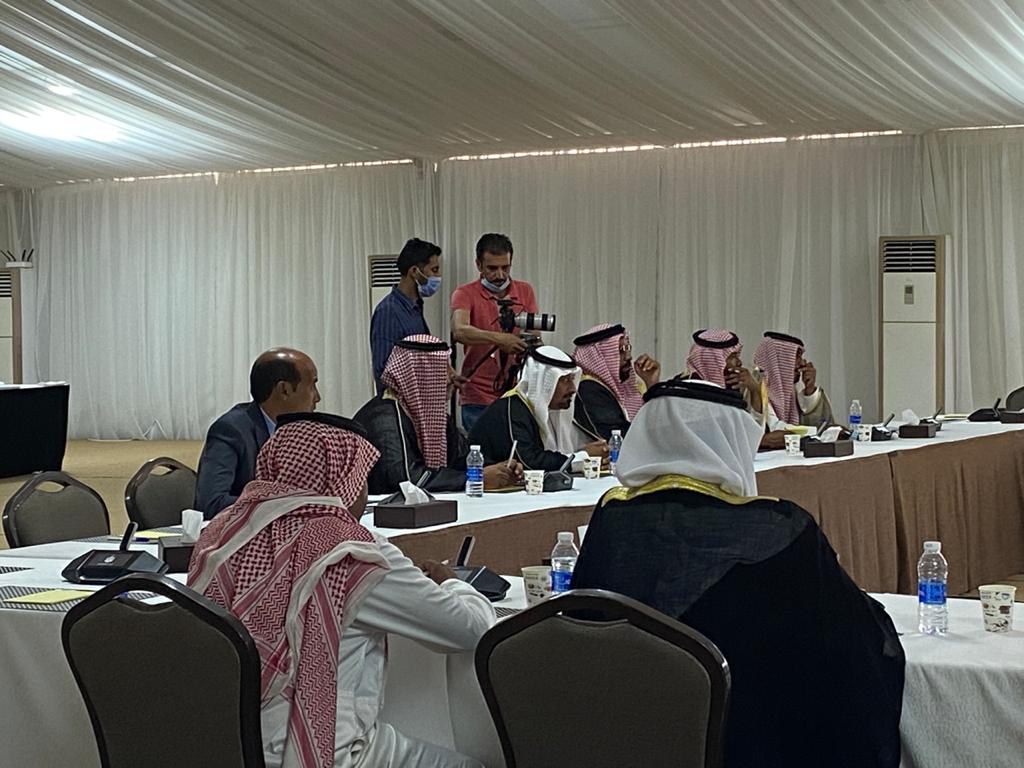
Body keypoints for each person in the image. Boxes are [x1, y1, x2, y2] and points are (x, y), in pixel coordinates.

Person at [571, 379, 905, 768]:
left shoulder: (613, 518)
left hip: (627, 730)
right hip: (743, 735)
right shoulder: (778, 528)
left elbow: (583, 624)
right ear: (731, 440)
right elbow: (847, 638)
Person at [188, 413, 492, 768]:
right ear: (345, 481)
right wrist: (454, 583)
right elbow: (471, 631)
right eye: (362, 479)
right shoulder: (353, 551)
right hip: (318, 750)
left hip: (223, 743)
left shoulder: (220, 533)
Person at [354, 335, 522, 494]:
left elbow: (461, 458)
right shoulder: (385, 419)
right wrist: (474, 479)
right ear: (423, 375)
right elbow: (406, 480)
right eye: (443, 369)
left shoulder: (433, 417)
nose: (451, 377)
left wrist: (501, 469)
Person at [194, 347, 320, 518]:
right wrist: (283, 505)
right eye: (312, 385)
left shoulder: (301, 432)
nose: (317, 397)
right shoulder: (231, 430)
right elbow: (211, 503)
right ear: (284, 390)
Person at [450, 233, 539, 432]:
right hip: (478, 395)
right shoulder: (464, 294)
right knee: (482, 449)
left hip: (517, 390)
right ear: (479, 265)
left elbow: (535, 335)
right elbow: (460, 330)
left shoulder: (524, 291)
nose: (500, 275)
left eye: (505, 267)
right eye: (492, 268)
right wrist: (499, 339)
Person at [468, 345, 608, 471]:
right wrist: (582, 458)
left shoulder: (558, 407)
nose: (572, 389)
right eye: (564, 380)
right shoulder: (513, 410)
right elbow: (529, 462)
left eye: (572, 379)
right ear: (543, 381)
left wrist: (597, 453)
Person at [370, 238, 442, 388]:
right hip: (401, 400)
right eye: (434, 270)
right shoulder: (388, 312)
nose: (438, 276)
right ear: (415, 271)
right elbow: (384, 372)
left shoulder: (415, 307)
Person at [572, 323, 660, 439]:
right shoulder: (589, 389)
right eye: (620, 351)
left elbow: (655, 423)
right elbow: (621, 435)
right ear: (599, 356)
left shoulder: (628, 387)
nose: (628, 357)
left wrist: (651, 384)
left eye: (627, 348)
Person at [753, 331, 835, 448]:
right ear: (780, 359)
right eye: (796, 356)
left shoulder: (790, 389)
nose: (802, 363)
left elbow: (815, 422)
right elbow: (774, 429)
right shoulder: (754, 388)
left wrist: (809, 389)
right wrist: (819, 432)